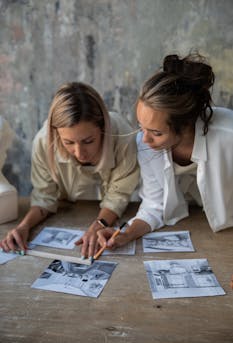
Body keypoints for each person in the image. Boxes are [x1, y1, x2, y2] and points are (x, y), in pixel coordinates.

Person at [97, 52, 233, 250]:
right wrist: (126, 235)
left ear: (186, 125)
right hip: (201, 226)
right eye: (141, 127)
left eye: (156, 132)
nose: (144, 139)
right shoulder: (145, 142)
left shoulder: (228, 137)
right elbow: (155, 205)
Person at [0, 82, 139, 258]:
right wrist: (23, 227)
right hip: (68, 212)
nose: (80, 153)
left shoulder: (123, 137)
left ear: (103, 128)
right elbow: (44, 197)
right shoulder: (43, 142)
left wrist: (99, 224)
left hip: (118, 213)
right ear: (56, 134)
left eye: (88, 141)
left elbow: (117, 196)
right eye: (68, 143)